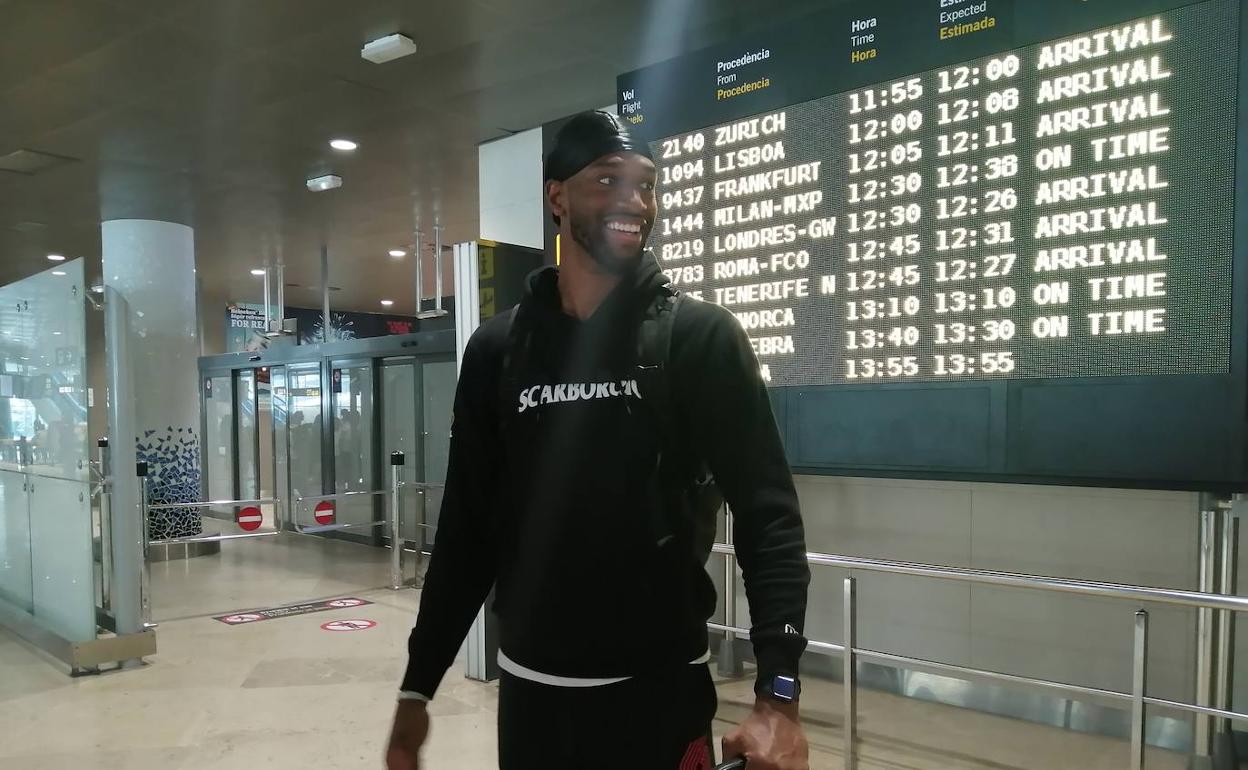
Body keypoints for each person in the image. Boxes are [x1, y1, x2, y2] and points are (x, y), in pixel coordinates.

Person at [386, 110, 811, 770]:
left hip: (659, 699)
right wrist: (419, 685)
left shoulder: (698, 340)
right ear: (557, 197)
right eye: (607, 180)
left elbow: (768, 517)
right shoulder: (498, 352)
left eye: (646, 184)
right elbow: (470, 528)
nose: (634, 202)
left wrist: (777, 696)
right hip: (533, 704)